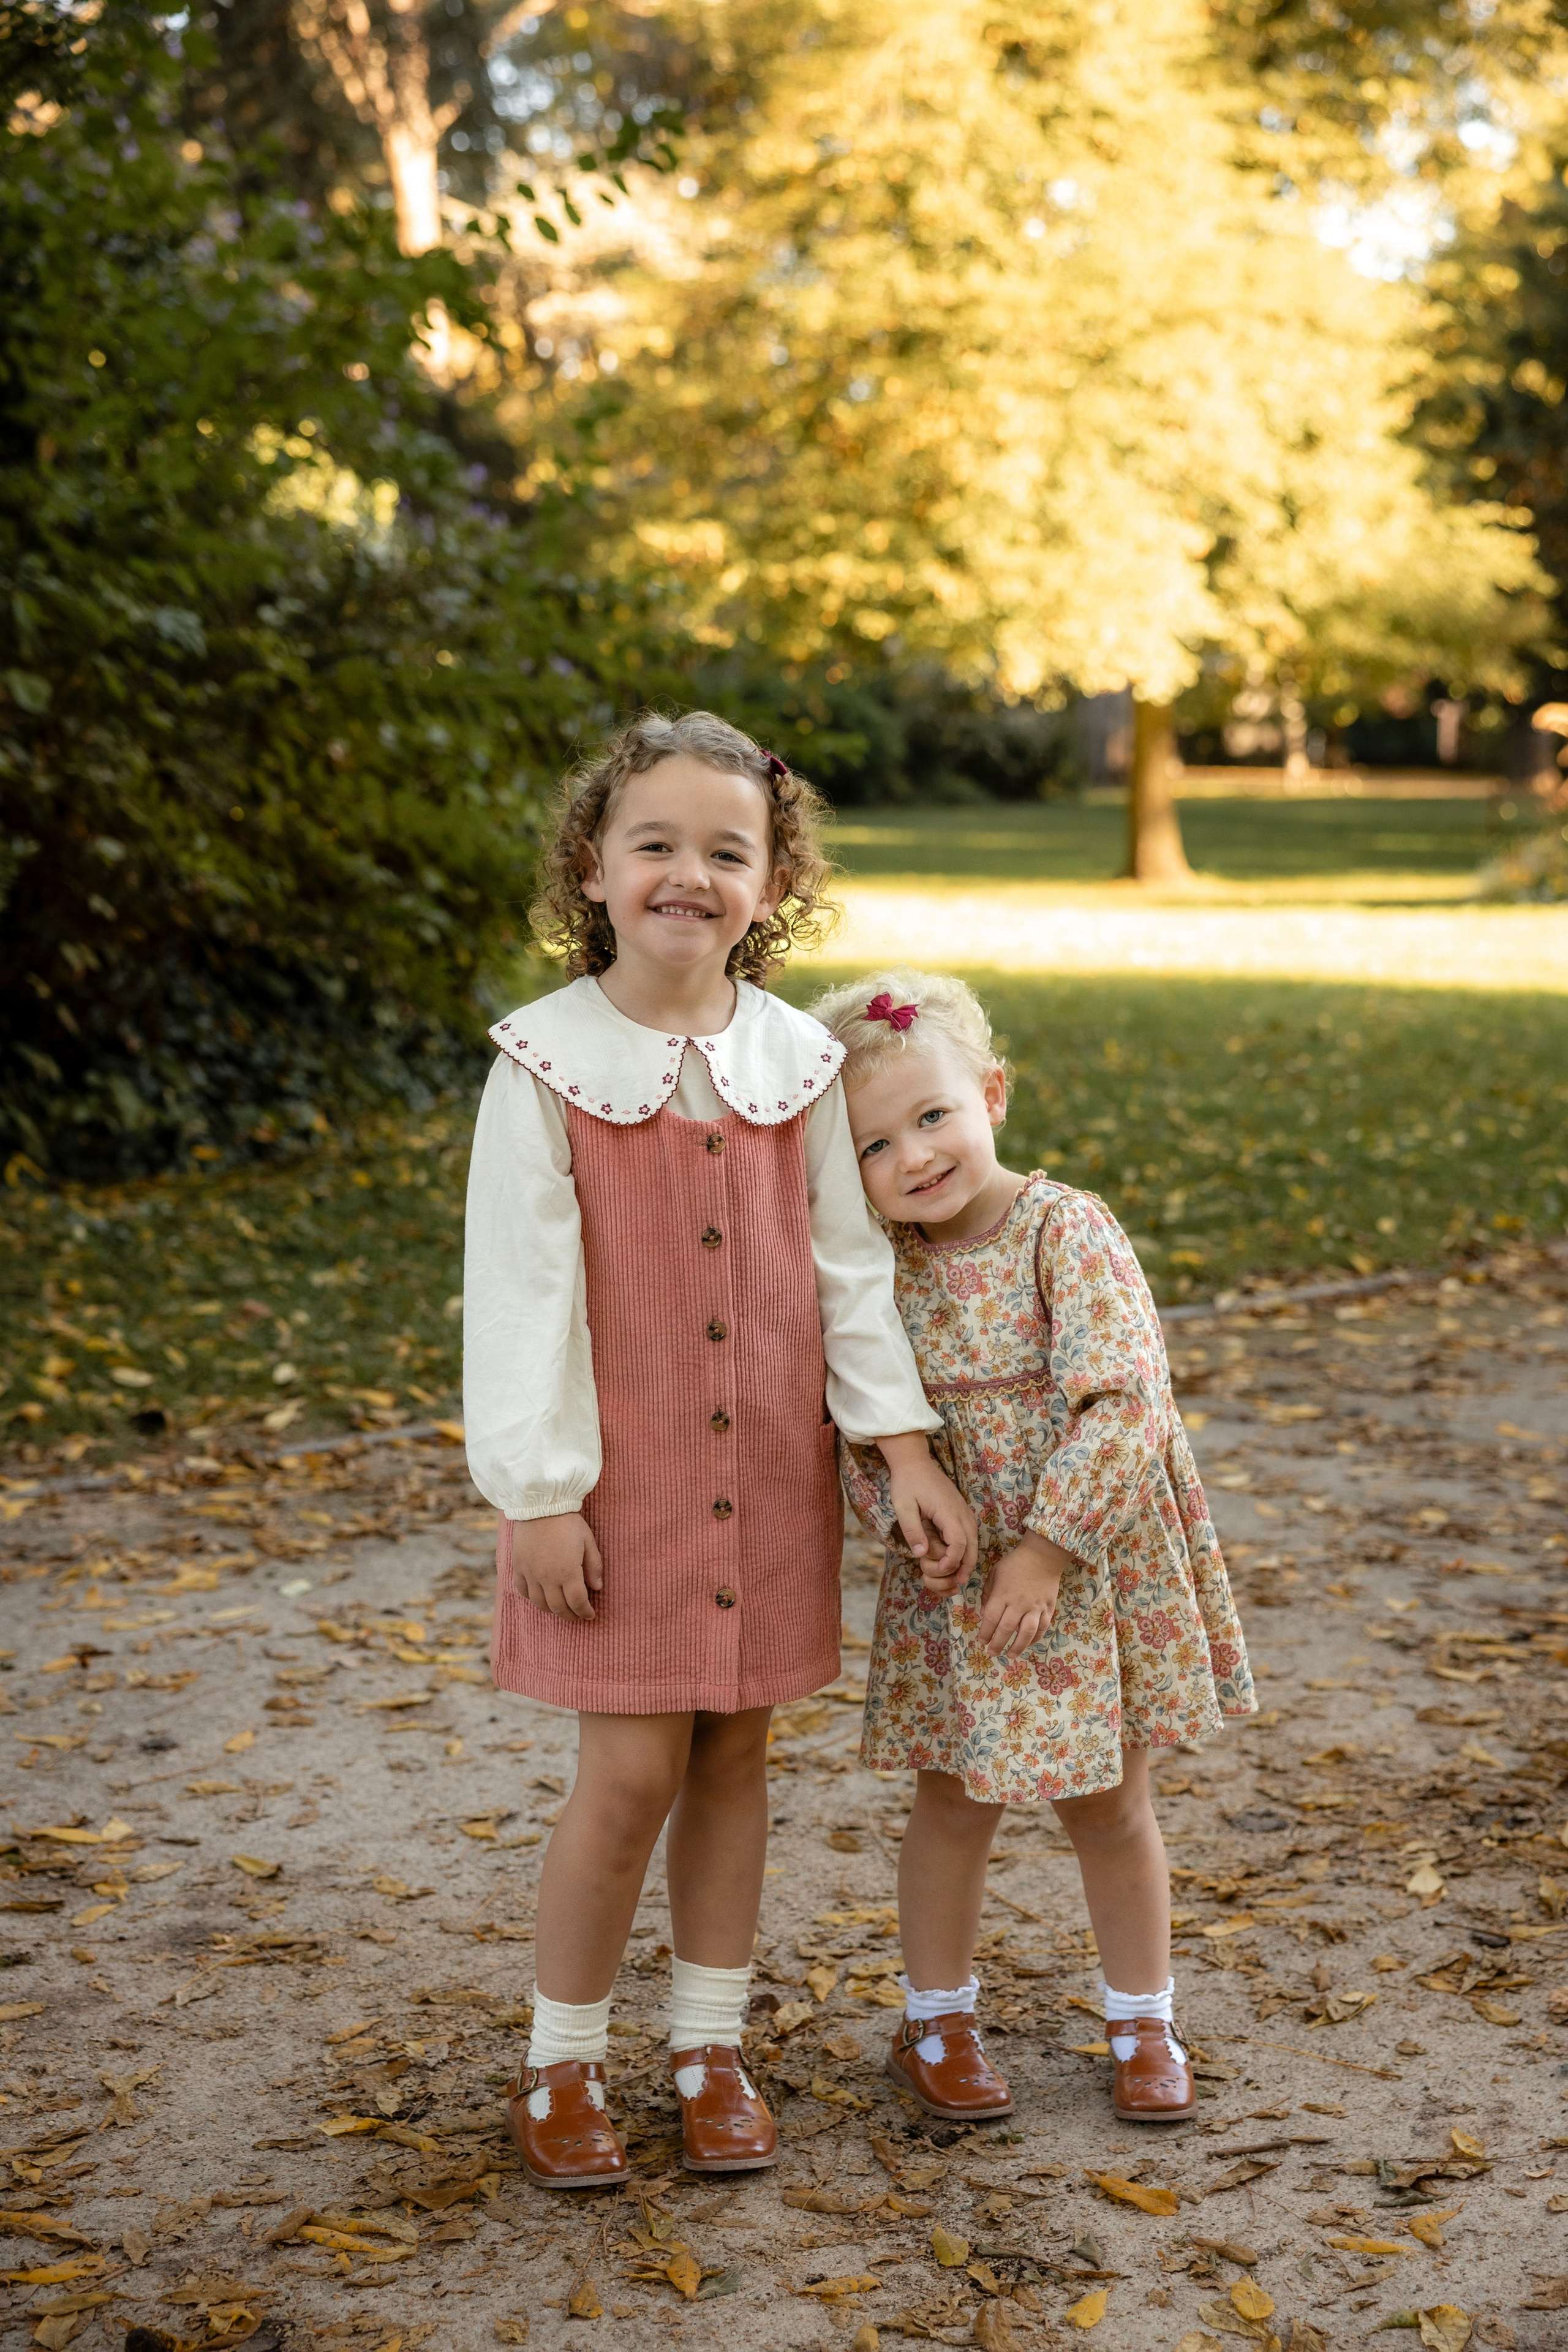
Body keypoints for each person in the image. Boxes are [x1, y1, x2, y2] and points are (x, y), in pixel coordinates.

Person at [463, 718, 976, 2190]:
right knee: (625, 1778)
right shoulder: (543, 1062)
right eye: (656, 844)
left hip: (764, 1475)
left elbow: (846, 1273)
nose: (689, 874)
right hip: (613, 1494)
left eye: (726, 851)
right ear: (594, 865)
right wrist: (542, 1494)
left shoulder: (796, 1062)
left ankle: (708, 2046)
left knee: (738, 1759)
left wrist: (902, 1451)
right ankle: (560, 2063)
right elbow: (520, 1294)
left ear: (772, 882)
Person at [811, 967, 1254, 2125]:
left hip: (1083, 1564)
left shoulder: (1066, 1231)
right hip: (958, 1586)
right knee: (953, 1802)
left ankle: (1143, 2020)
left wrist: (1049, 1547)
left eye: (932, 1116)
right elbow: (860, 1418)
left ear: (991, 1094)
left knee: (1109, 1802)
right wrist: (906, 1517)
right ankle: (937, 2019)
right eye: (870, 1147)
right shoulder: (876, 1275)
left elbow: (1127, 1401)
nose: (911, 1157)